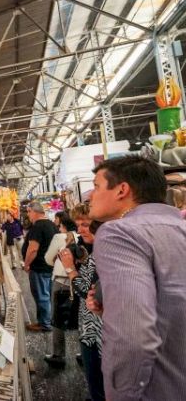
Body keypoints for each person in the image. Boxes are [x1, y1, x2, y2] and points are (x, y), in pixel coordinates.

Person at [86, 155, 186, 401]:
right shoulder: (178, 228)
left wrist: (121, 395)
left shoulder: (119, 233)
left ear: (122, 190)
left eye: (97, 186)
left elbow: (132, 336)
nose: (90, 195)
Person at [58, 205, 105, 401]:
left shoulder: (102, 253)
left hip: (96, 330)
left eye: (85, 224)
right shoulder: (98, 250)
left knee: (98, 379)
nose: (80, 230)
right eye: (78, 225)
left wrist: (70, 269)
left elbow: (87, 292)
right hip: (94, 326)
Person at [43, 215, 78, 367]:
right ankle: (83, 352)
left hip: (62, 280)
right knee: (80, 316)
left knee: (58, 317)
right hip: (80, 279)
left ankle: (59, 355)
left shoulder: (59, 237)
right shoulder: (81, 236)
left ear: (63, 225)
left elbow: (48, 258)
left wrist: (58, 261)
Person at [22, 201, 57, 332]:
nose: (28, 216)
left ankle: (45, 324)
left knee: (42, 296)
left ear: (33, 211)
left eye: (29, 212)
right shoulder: (52, 225)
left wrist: (26, 264)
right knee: (48, 296)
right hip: (51, 267)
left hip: (39, 267)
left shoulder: (37, 227)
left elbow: (32, 250)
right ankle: (48, 320)